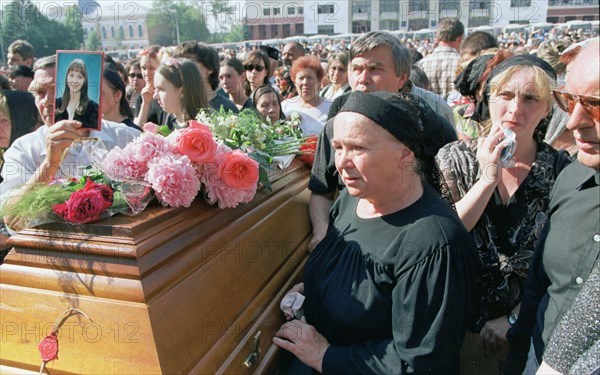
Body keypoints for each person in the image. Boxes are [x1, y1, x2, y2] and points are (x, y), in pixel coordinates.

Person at [273, 91, 480, 374]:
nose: (340, 162)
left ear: (405, 153)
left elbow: (421, 362)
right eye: (338, 147)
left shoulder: (435, 244)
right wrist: (318, 292)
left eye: (358, 148)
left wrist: (325, 355)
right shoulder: (352, 199)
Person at [436, 54, 572, 373]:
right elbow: (442, 238)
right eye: (506, 95)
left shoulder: (562, 171)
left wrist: (514, 318)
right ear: (489, 97)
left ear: (548, 107)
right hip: (456, 325)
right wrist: (487, 178)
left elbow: (566, 264)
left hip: (531, 328)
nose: (515, 110)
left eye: (530, 99)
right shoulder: (454, 160)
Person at [308, 31, 457, 250]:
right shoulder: (336, 125)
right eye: (356, 69)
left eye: (375, 69)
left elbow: (452, 192)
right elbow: (321, 190)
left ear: (402, 77)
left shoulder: (430, 124)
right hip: (351, 240)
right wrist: (321, 232)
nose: (363, 79)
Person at [504, 39, 600, 375]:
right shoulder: (571, 177)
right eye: (569, 100)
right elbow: (537, 287)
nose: (574, 122)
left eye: (595, 105)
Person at [0, 55, 139, 229]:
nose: (47, 101)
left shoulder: (125, 137)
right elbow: (12, 219)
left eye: (55, 89)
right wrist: (50, 164)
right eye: (40, 93)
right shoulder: (23, 149)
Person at [172, 41, 238, 114]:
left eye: (188, 62)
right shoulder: (175, 108)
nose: (181, 68)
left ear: (209, 67)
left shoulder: (227, 109)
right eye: (177, 63)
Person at [281, 56, 332, 136]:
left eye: (310, 78)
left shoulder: (330, 107)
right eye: (301, 78)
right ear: (295, 82)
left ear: (319, 82)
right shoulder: (285, 106)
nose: (305, 82)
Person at [153, 58, 208, 129]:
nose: (155, 96)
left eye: (161, 89)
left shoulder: (202, 128)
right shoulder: (170, 119)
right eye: (155, 89)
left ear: (182, 91)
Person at [416, 18, 464, 98]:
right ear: (459, 39)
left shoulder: (420, 65)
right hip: (455, 109)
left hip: (427, 109)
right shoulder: (463, 64)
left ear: (437, 38)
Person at [54, 59, 100, 129]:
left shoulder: (93, 107)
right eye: (72, 75)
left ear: (85, 80)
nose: (74, 80)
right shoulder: (56, 104)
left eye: (79, 77)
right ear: (67, 77)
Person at [134, 46, 167, 126]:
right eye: (143, 68)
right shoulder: (141, 98)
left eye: (152, 68)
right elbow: (137, 129)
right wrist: (145, 104)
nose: (146, 73)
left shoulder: (170, 94)